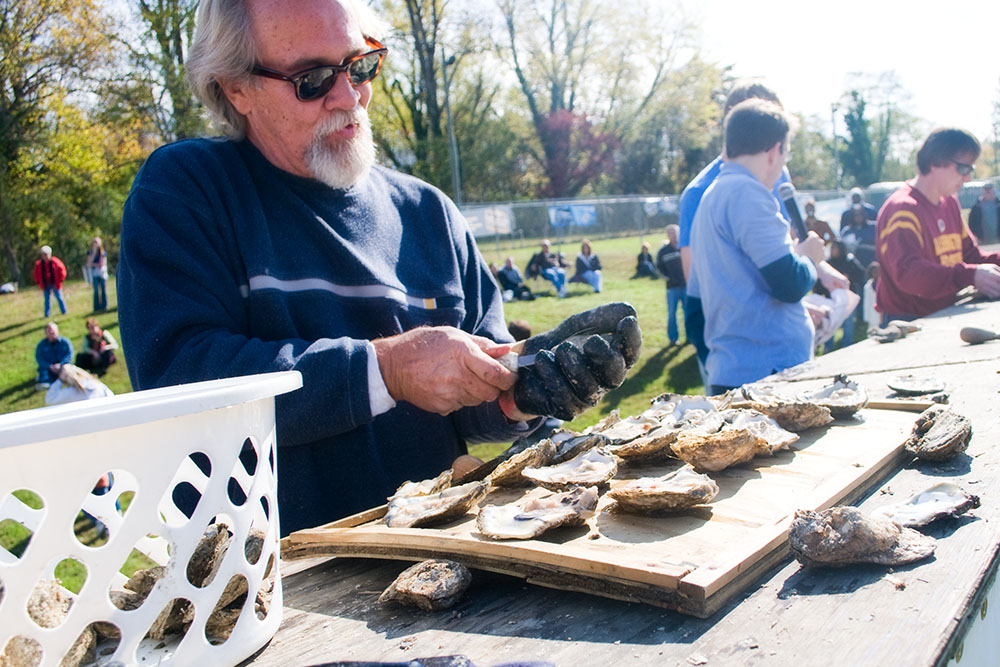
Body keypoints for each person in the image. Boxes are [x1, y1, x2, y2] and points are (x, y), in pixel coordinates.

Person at [116, 0, 638, 536]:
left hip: (437, 560)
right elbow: (179, 383)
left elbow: (474, 400)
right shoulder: (188, 190)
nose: (350, 97)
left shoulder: (428, 213)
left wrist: (524, 388)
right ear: (235, 87)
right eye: (312, 79)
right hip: (269, 585)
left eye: (359, 64)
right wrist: (386, 369)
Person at [690, 99, 844, 395]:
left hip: (735, 370)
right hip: (768, 375)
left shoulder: (710, 197)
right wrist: (811, 258)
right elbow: (788, 283)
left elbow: (699, 299)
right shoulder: (749, 193)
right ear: (775, 151)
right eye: (787, 154)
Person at [677, 81, 793, 387]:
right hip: (743, 363)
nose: (777, 150)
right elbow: (700, 289)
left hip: (780, 354)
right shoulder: (700, 193)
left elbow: (781, 251)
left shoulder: (775, 176)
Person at [876, 128, 1000, 322]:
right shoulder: (903, 210)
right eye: (963, 168)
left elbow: (968, 256)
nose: (968, 178)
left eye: (970, 170)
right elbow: (909, 275)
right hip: (909, 322)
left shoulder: (949, 202)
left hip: (944, 313)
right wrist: (969, 275)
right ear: (935, 162)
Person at [822, 240, 866, 351]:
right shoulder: (828, 263)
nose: (833, 250)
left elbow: (860, 275)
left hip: (847, 297)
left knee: (848, 323)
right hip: (831, 298)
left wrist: (849, 277)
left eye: (835, 248)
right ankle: (828, 346)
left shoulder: (849, 261)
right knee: (829, 323)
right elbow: (821, 281)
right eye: (832, 248)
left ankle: (847, 345)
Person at [655, 224, 686, 346]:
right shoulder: (663, 251)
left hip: (686, 287)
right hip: (672, 288)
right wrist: (669, 278)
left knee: (688, 312)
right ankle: (673, 339)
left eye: (675, 232)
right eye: (670, 233)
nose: (673, 235)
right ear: (667, 235)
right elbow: (658, 268)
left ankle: (691, 337)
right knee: (672, 314)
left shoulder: (684, 248)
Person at [44, 363, 114, 406]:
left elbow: (50, 399)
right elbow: (111, 396)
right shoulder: (93, 383)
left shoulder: (72, 392)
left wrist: (60, 380)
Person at [35, 322, 74, 389]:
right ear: (46, 333)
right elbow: (39, 359)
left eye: (53, 330)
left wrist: (61, 364)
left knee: (68, 369)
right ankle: (46, 382)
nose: (51, 332)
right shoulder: (41, 345)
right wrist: (50, 366)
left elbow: (69, 355)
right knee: (44, 370)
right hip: (49, 368)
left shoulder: (65, 342)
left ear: (57, 331)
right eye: (49, 331)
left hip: (63, 366)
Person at [33, 245, 68, 318]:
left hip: (55, 283)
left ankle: (64, 311)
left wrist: (60, 280)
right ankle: (47, 314)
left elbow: (62, 271)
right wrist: (38, 282)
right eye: (43, 255)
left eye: (46, 255)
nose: (45, 257)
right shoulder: (39, 264)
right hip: (45, 284)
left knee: (59, 297)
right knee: (47, 300)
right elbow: (36, 274)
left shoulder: (55, 262)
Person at [86, 237, 109, 311]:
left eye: (97, 242)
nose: (95, 244)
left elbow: (104, 262)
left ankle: (104, 306)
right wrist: (94, 252)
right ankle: (96, 307)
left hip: (102, 273)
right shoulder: (90, 252)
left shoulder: (103, 252)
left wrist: (95, 264)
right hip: (94, 273)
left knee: (103, 289)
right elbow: (89, 263)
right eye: (94, 242)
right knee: (96, 290)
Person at [862, 262, 881, 332]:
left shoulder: (884, 285)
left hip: (882, 314)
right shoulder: (867, 287)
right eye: (874, 272)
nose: (876, 274)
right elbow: (866, 303)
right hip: (872, 314)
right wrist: (866, 317)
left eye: (878, 272)